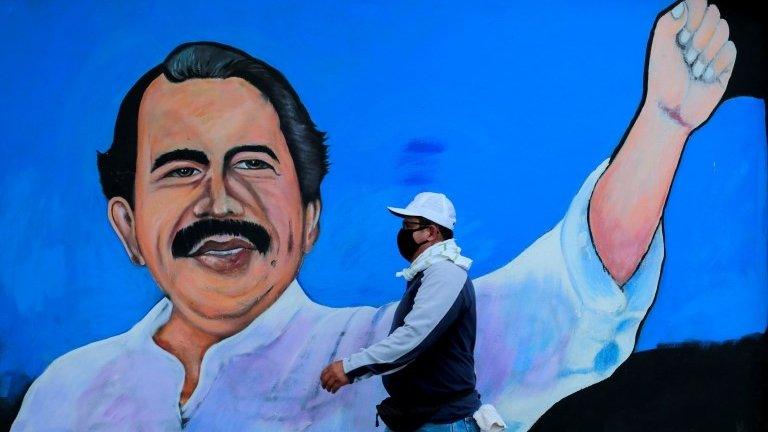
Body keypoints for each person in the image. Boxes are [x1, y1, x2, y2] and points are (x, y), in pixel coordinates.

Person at [12, 1, 737, 430]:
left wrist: (664, 124)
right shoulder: (64, 396)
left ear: (311, 216)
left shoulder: (386, 350)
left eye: (253, 163)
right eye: (179, 168)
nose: (220, 200)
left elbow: (566, 298)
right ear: (127, 224)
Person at [321, 192, 488, 431]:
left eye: (409, 226)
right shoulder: (428, 273)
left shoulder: (445, 274)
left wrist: (351, 367)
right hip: (416, 418)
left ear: (431, 232)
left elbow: (412, 339)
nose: (402, 233)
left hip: (441, 422)